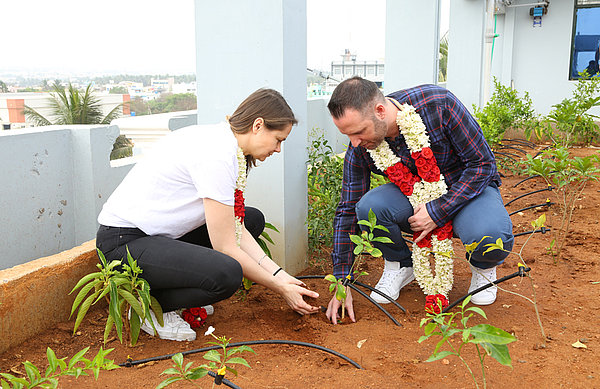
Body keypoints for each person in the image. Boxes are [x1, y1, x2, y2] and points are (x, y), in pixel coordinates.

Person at [96, 88, 320, 341]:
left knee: (251, 218)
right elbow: (226, 246)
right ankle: (153, 308)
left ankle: (176, 289)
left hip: (162, 236)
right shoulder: (217, 155)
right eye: (278, 139)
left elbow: (236, 228)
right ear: (258, 125)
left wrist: (281, 275)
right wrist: (280, 288)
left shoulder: (227, 146)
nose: (278, 149)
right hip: (124, 244)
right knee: (227, 274)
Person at [324, 77, 514, 325]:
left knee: (490, 236)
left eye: (358, 132)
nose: (354, 142)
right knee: (369, 208)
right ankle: (401, 264)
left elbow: (483, 165)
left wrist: (438, 210)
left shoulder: (439, 105)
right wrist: (341, 279)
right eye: (347, 135)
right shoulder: (361, 145)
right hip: (414, 195)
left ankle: (484, 268)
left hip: (467, 188)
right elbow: (348, 208)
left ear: (380, 111)